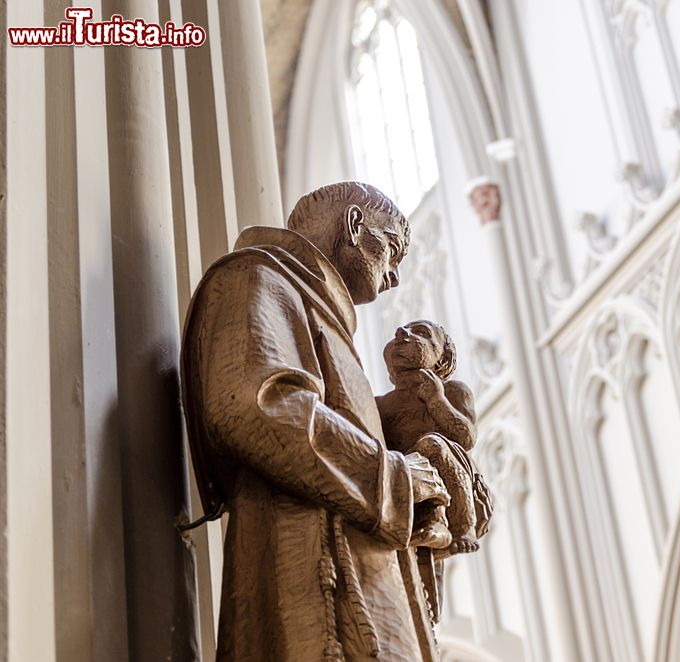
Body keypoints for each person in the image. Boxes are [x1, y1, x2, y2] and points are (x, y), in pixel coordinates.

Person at [181, 182, 451, 662]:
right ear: (354, 226)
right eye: (392, 248)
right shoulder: (258, 277)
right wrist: (395, 479)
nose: (394, 278)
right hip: (317, 587)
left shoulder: (319, 310)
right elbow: (257, 405)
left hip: (361, 586)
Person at [377, 320, 482, 556]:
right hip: (409, 479)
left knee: (431, 445)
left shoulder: (453, 391)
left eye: (421, 333)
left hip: (448, 470)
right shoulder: (381, 405)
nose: (401, 332)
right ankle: (431, 522)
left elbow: (465, 438)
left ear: (441, 361)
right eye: (401, 331)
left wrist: (437, 401)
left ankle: (462, 527)